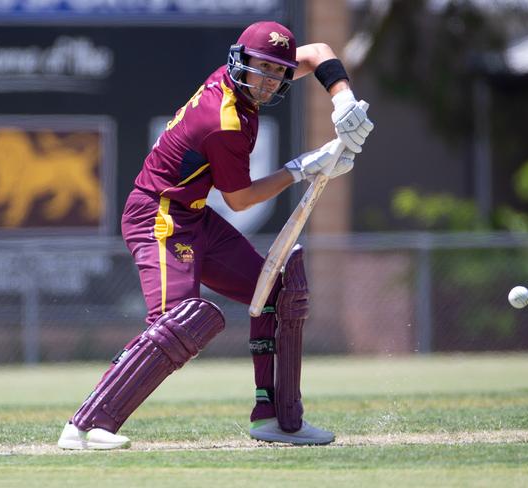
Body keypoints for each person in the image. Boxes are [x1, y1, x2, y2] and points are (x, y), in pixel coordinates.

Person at [58, 20, 373, 450]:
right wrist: (301, 169)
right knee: (180, 322)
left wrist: (344, 101)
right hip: (160, 215)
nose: (268, 82)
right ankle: (85, 425)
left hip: (194, 214)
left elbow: (318, 51)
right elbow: (241, 200)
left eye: (277, 73)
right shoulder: (223, 121)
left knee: (277, 295)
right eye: (261, 69)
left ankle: (276, 419)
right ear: (240, 61)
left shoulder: (246, 83)